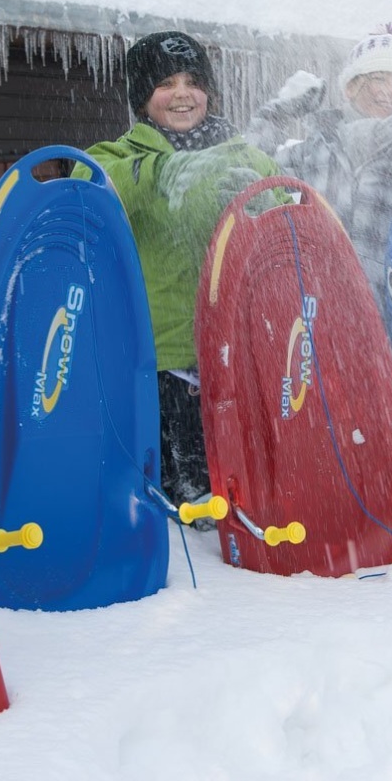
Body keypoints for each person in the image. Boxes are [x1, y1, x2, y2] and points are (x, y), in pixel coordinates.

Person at [84, 31, 280, 509]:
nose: (182, 94)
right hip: (166, 359)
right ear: (142, 98)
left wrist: (262, 199)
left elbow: (285, 227)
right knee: (188, 499)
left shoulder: (247, 156)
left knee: (248, 482)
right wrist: (160, 173)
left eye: (193, 81)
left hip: (239, 349)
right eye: (166, 83)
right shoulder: (118, 156)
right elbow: (86, 185)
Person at [246, 22, 392, 464]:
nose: (387, 92)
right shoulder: (313, 150)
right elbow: (243, 173)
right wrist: (275, 115)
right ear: (352, 86)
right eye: (377, 78)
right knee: (327, 439)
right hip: (318, 318)